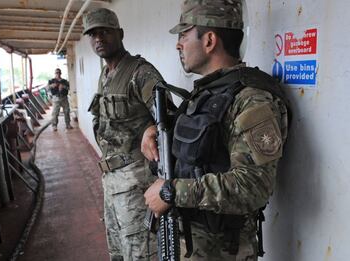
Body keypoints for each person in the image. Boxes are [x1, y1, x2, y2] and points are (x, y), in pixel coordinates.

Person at [142, 0, 290, 260]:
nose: (178, 44)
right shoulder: (207, 92)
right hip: (189, 242)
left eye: (184, 35)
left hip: (222, 251)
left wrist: (171, 192)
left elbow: (253, 186)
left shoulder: (251, 99)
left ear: (209, 40)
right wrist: (154, 130)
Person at [83, 8, 164, 261]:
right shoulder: (105, 74)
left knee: (140, 252)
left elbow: (168, 120)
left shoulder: (141, 72)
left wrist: (153, 129)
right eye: (93, 34)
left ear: (120, 34)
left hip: (136, 180)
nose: (98, 38)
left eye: (105, 31)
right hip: (111, 179)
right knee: (117, 250)